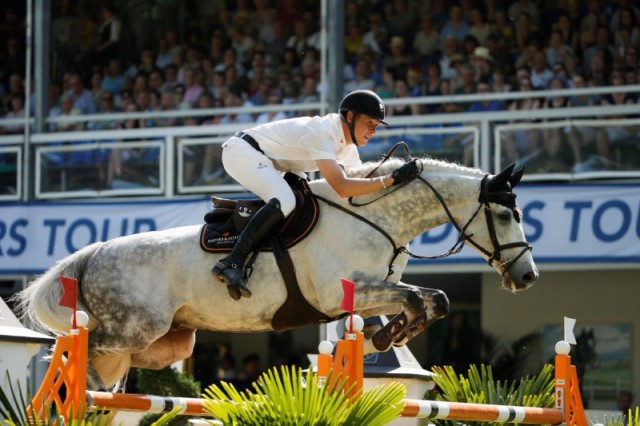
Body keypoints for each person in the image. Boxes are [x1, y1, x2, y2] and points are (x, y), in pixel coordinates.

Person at [211, 90, 420, 300]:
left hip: (272, 161)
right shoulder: (323, 133)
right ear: (350, 116)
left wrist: (399, 178)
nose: (373, 130)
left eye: (376, 125)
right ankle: (232, 262)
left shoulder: (346, 147)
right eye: (370, 123)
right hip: (243, 152)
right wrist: (391, 179)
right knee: (286, 200)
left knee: (308, 201)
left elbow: (362, 185)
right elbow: (343, 187)